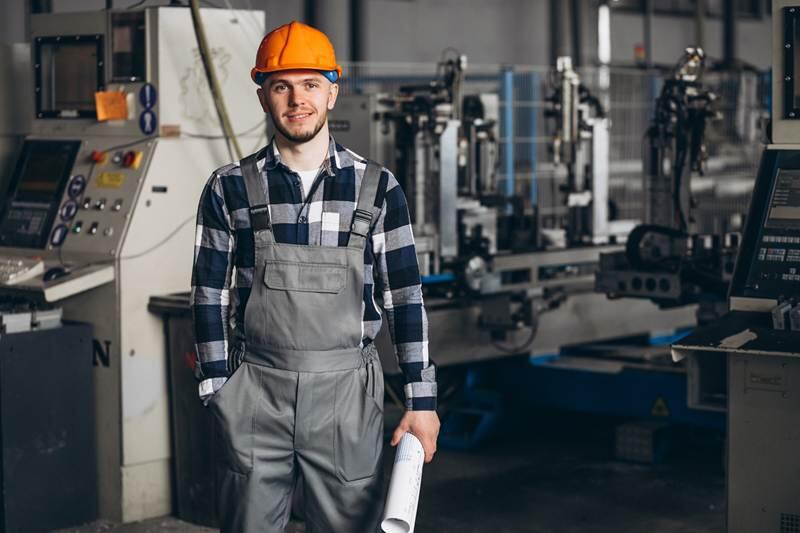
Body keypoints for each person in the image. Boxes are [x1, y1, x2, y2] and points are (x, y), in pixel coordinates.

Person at [190, 20, 440, 533]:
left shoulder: (377, 189)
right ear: (263, 97)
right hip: (255, 390)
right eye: (281, 86)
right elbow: (208, 295)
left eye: (309, 84)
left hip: (347, 394)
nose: (296, 99)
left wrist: (422, 400)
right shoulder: (229, 188)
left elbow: (405, 300)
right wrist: (219, 390)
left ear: (332, 91)